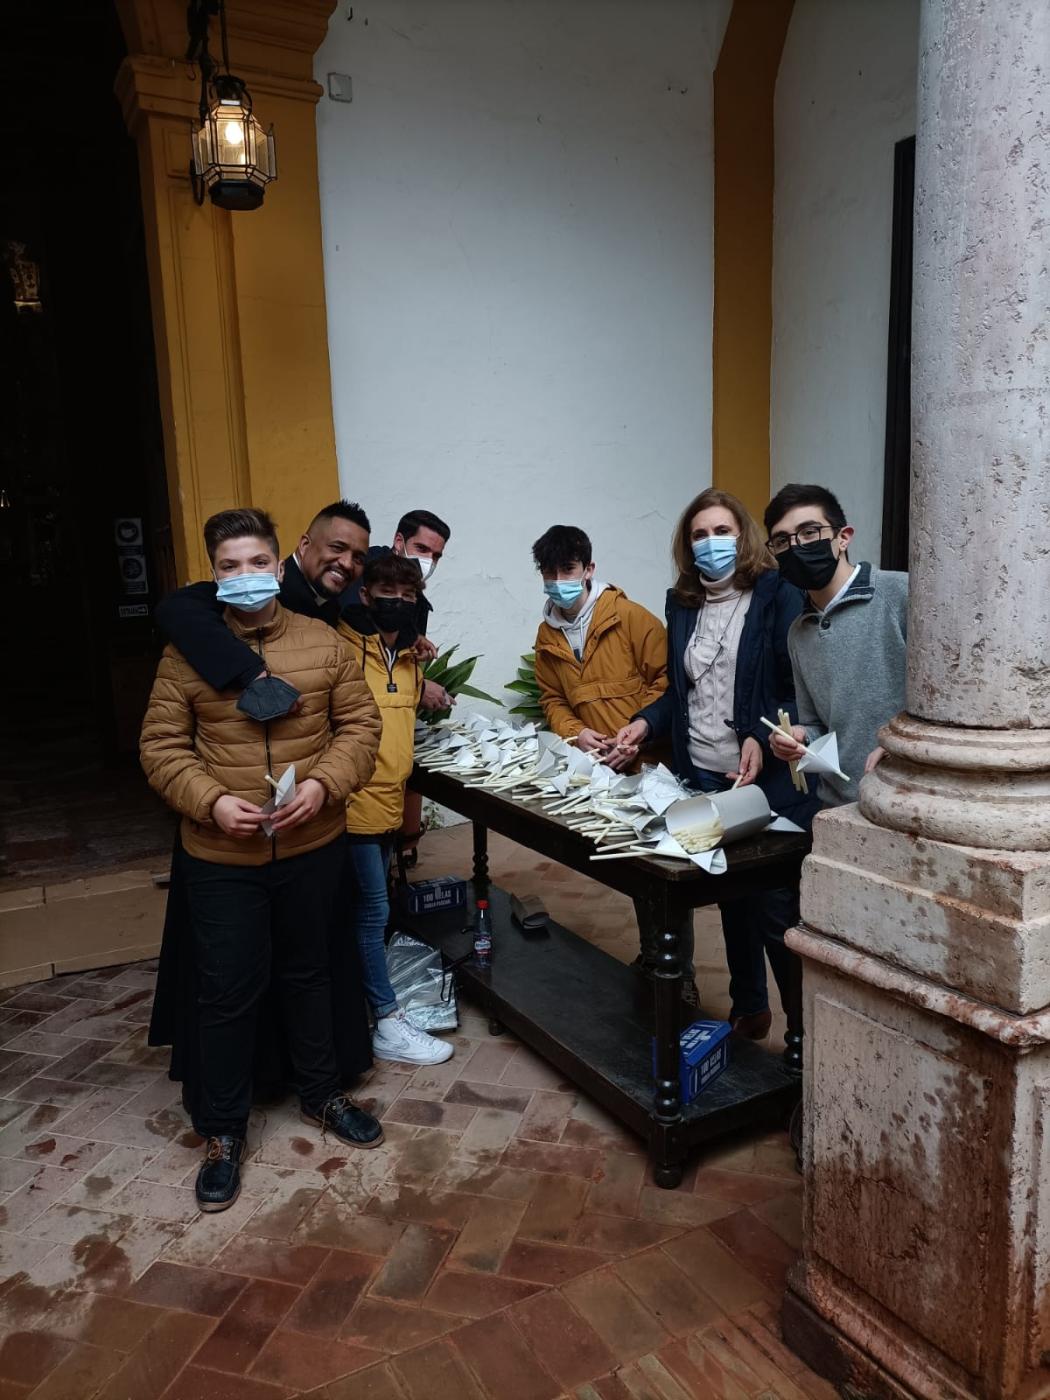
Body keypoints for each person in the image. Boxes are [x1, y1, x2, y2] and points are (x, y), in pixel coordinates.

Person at [140, 508, 384, 1213]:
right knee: (226, 993)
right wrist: (211, 801)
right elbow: (161, 747)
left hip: (311, 846)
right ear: (213, 575)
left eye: (256, 563)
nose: (244, 577)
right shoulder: (189, 654)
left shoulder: (321, 642)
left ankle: (322, 1093)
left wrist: (323, 784)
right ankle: (221, 1132)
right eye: (229, 566)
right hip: (222, 855)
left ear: (279, 565)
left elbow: (359, 727)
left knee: (311, 973)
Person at [615, 489, 819, 1058]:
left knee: (777, 908)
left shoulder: (776, 595)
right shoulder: (682, 604)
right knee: (730, 897)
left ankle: (803, 1034)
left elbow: (790, 685)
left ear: (744, 535)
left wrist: (759, 734)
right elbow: (681, 694)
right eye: (699, 535)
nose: (711, 544)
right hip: (702, 773)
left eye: (722, 530)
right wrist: (641, 723)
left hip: (764, 778)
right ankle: (748, 1005)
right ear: (687, 546)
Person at [339, 553, 454, 1066]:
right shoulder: (341, 649)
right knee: (371, 914)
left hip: (388, 804)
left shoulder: (408, 659)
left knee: (373, 912)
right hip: (351, 805)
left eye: (409, 598)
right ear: (365, 596)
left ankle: (368, 1007)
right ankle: (386, 1019)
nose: (399, 605)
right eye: (388, 594)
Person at [154, 500, 372, 720]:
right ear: (304, 545)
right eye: (337, 548)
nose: (347, 563)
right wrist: (251, 672)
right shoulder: (253, 590)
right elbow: (176, 609)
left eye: (358, 558)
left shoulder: (337, 602)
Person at [762, 483, 908, 800]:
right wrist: (800, 738)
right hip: (838, 807)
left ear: (843, 537)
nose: (796, 545)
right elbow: (816, 724)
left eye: (809, 532)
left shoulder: (900, 594)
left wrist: (904, 745)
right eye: (782, 540)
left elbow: (949, 701)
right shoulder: (798, 633)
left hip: (906, 797)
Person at [530, 524, 667, 770]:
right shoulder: (546, 636)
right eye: (549, 572)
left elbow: (666, 682)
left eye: (568, 569)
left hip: (651, 765)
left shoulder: (630, 617)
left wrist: (641, 734)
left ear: (588, 569)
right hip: (594, 769)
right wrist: (577, 733)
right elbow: (553, 699)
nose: (558, 580)